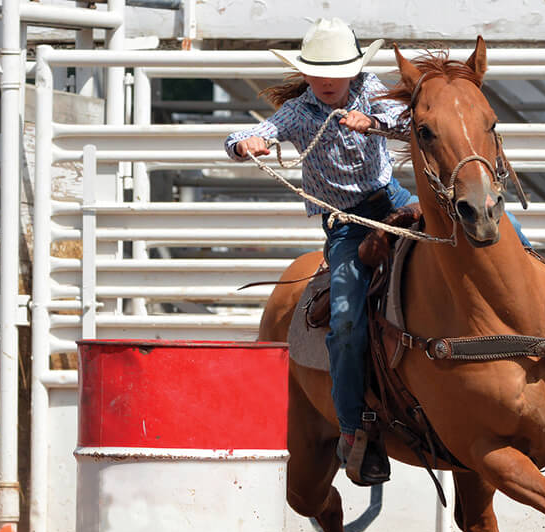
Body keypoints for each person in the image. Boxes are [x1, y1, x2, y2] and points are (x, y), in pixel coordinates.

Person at [224, 18, 529, 486]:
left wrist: (375, 121)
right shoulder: (298, 113)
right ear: (305, 74)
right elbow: (250, 134)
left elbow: (419, 122)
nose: (326, 80)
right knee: (345, 317)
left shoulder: (370, 90)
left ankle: (538, 313)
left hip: (395, 200)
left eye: (336, 70)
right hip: (347, 224)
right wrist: (249, 143)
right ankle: (352, 430)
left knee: (510, 237)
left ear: (353, 71)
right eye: (317, 72)